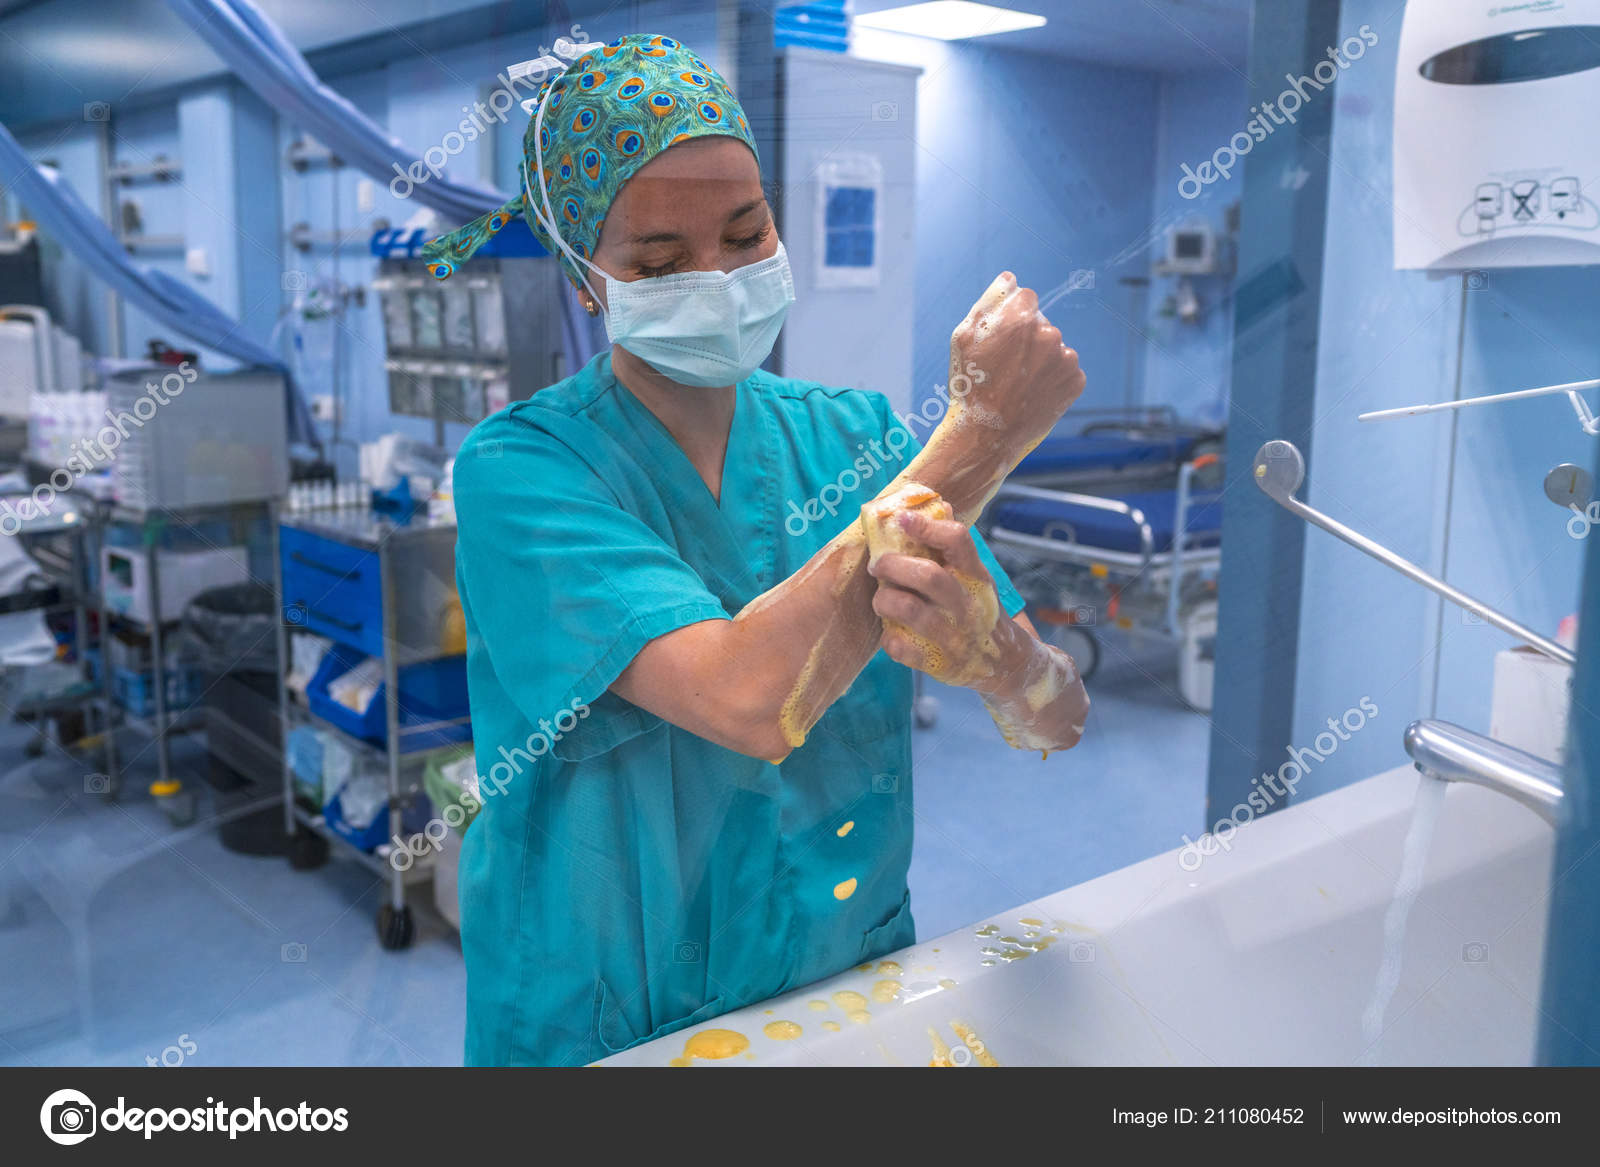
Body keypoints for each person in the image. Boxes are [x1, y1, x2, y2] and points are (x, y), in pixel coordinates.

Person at [424, 32, 1090, 1067]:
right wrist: (983, 439)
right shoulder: (526, 471)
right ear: (587, 281)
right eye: (659, 262)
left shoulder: (854, 439)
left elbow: (1057, 721)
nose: (721, 279)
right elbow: (746, 701)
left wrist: (997, 662)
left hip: (838, 988)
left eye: (746, 234)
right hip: (606, 1023)